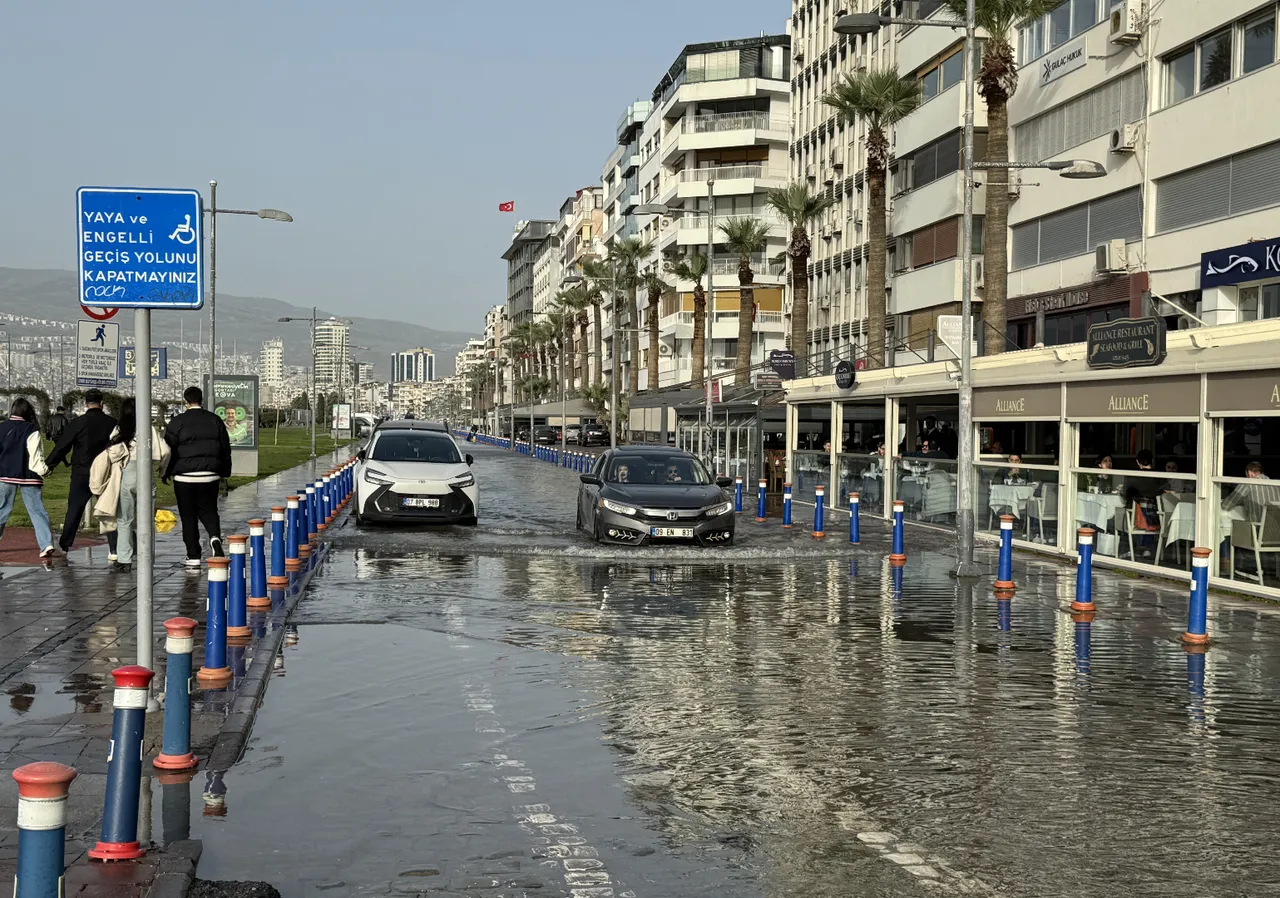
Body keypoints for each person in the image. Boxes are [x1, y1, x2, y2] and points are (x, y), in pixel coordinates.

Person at [92, 399, 169, 574]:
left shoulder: (120, 430)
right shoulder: (149, 429)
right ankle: (147, 557)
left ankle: (124, 559)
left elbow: (111, 452)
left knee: (124, 520)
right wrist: (161, 468)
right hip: (147, 474)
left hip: (127, 474)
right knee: (146, 520)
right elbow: (165, 451)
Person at [163, 387, 232, 568]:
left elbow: (168, 450)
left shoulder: (178, 422)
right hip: (209, 475)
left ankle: (193, 556)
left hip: (184, 476)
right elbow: (225, 448)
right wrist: (224, 472)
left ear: (185, 401)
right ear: (202, 400)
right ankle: (215, 537)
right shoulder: (214, 420)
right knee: (209, 510)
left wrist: (166, 472)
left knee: (188, 516)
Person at [47, 390, 117, 555]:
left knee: (74, 509)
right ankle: (114, 548)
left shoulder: (78, 423)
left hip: (82, 471)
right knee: (109, 510)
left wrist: (49, 465)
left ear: (86, 403)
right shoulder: (113, 423)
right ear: (102, 403)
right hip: (106, 471)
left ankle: (65, 544)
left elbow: (62, 447)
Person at [0, 398, 55, 558]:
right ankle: (46, 544)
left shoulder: (2, 427)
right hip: (29, 475)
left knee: (2, 509)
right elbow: (35, 456)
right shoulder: (32, 429)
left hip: (5, 473)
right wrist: (45, 471)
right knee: (37, 510)